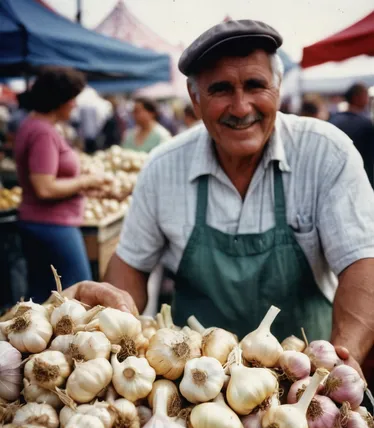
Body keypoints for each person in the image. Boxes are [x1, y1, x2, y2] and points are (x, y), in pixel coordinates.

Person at [65, 20, 374, 375]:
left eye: (256, 85)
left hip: (302, 380)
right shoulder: (163, 168)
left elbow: (361, 261)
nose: (241, 107)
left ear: (277, 87)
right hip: (194, 384)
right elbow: (132, 264)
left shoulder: (325, 152)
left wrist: (339, 362)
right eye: (221, 89)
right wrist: (113, 320)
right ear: (195, 100)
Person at [15, 67, 108, 302]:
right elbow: (44, 187)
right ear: (59, 101)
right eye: (72, 99)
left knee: (45, 300)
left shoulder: (31, 125)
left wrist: (80, 180)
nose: (75, 105)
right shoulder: (43, 132)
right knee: (78, 297)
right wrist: (87, 180)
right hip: (53, 227)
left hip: (39, 224)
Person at [329, 83, 374, 188]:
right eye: (366, 96)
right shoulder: (365, 124)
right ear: (357, 97)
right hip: (359, 179)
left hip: (335, 178)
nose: (368, 100)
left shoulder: (333, 120)